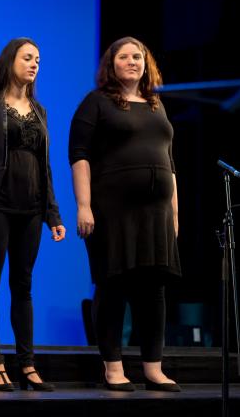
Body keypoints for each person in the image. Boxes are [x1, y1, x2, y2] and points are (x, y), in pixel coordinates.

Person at [68, 36, 181, 392]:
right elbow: (79, 155)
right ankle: (113, 368)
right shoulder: (96, 103)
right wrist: (84, 206)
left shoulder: (155, 105)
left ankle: (153, 367)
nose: (133, 62)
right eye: (124, 57)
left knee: (154, 290)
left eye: (138, 56)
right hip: (113, 210)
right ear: (110, 65)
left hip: (156, 213)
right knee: (113, 284)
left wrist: (174, 214)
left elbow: (170, 162)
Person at [0, 38, 66, 391]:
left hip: (32, 209)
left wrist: (53, 214)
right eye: (27, 58)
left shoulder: (39, 110)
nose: (34, 64)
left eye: (38, 59)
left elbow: (46, 166)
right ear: (10, 61)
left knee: (23, 286)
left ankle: (27, 364)